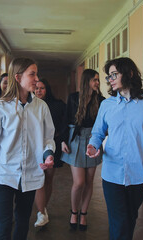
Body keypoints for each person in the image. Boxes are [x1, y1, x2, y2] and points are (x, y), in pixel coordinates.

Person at [86, 57, 143, 240]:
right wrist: (93, 145)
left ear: (130, 74)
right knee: (118, 222)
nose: (110, 79)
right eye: (109, 76)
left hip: (138, 176)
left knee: (130, 220)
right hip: (111, 175)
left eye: (114, 74)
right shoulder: (106, 105)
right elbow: (97, 133)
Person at [0, 58, 55, 240]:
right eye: (32, 74)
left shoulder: (41, 107)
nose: (37, 78)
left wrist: (48, 154)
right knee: (3, 226)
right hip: (3, 175)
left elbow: (47, 138)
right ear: (18, 77)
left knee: (22, 223)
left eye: (37, 74)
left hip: (30, 174)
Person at [61, 69, 105, 231]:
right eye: (95, 80)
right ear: (87, 81)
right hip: (75, 139)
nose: (97, 83)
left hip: (93, 140)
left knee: (88, 182)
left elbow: (104, 124)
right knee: (79, 182)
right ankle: (74, 212)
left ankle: (84, 213)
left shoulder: (101, 100)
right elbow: (65, 120)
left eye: (98, 80)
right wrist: (63, 141)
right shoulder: (73, 98)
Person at [33, 78, 66, 227]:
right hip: (35, 146)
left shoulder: (57, 105)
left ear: (47, 90)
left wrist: (60, 137)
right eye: (37, 88)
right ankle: (41, 210)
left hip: (51, 144)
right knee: (40, 179)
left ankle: (43, 208)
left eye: (42, 88)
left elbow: (63, 124)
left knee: (49, 179)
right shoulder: (31, 106)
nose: (39, 91)